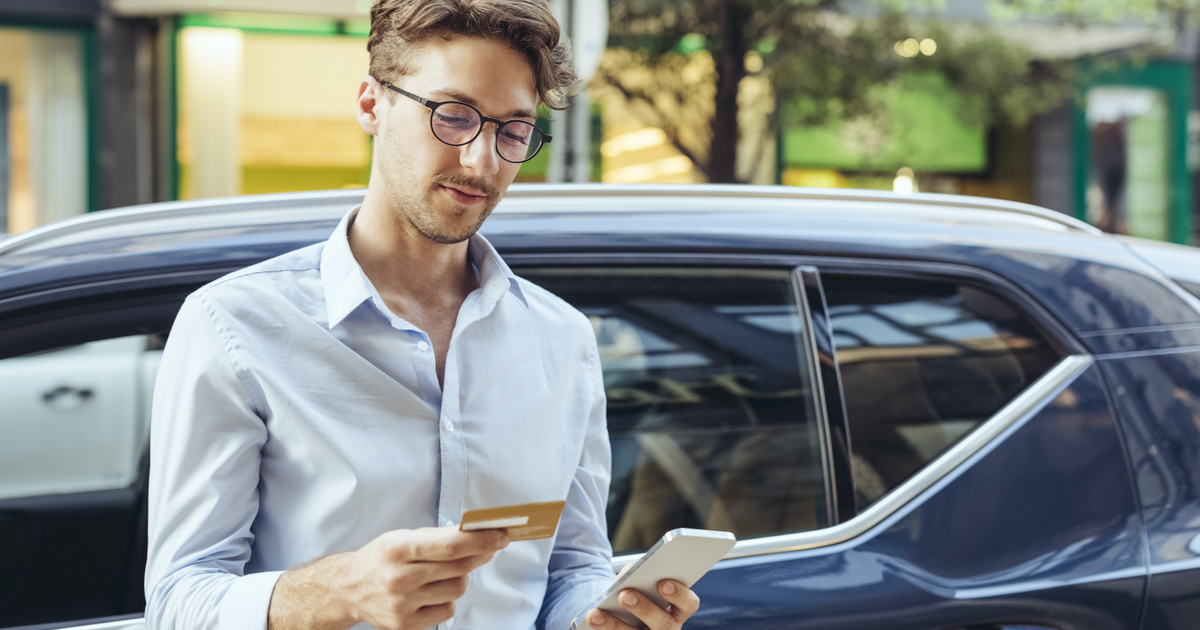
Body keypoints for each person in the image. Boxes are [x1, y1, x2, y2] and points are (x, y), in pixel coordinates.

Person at [143, 1, 701, 629]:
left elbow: (572, 566)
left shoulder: (562, 340)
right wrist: (343, 591)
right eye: (454, 115)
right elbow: (179, 602)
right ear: (371, 105)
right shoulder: (234, 327)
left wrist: (600, 617)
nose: (483, 162)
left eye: (513, 130)